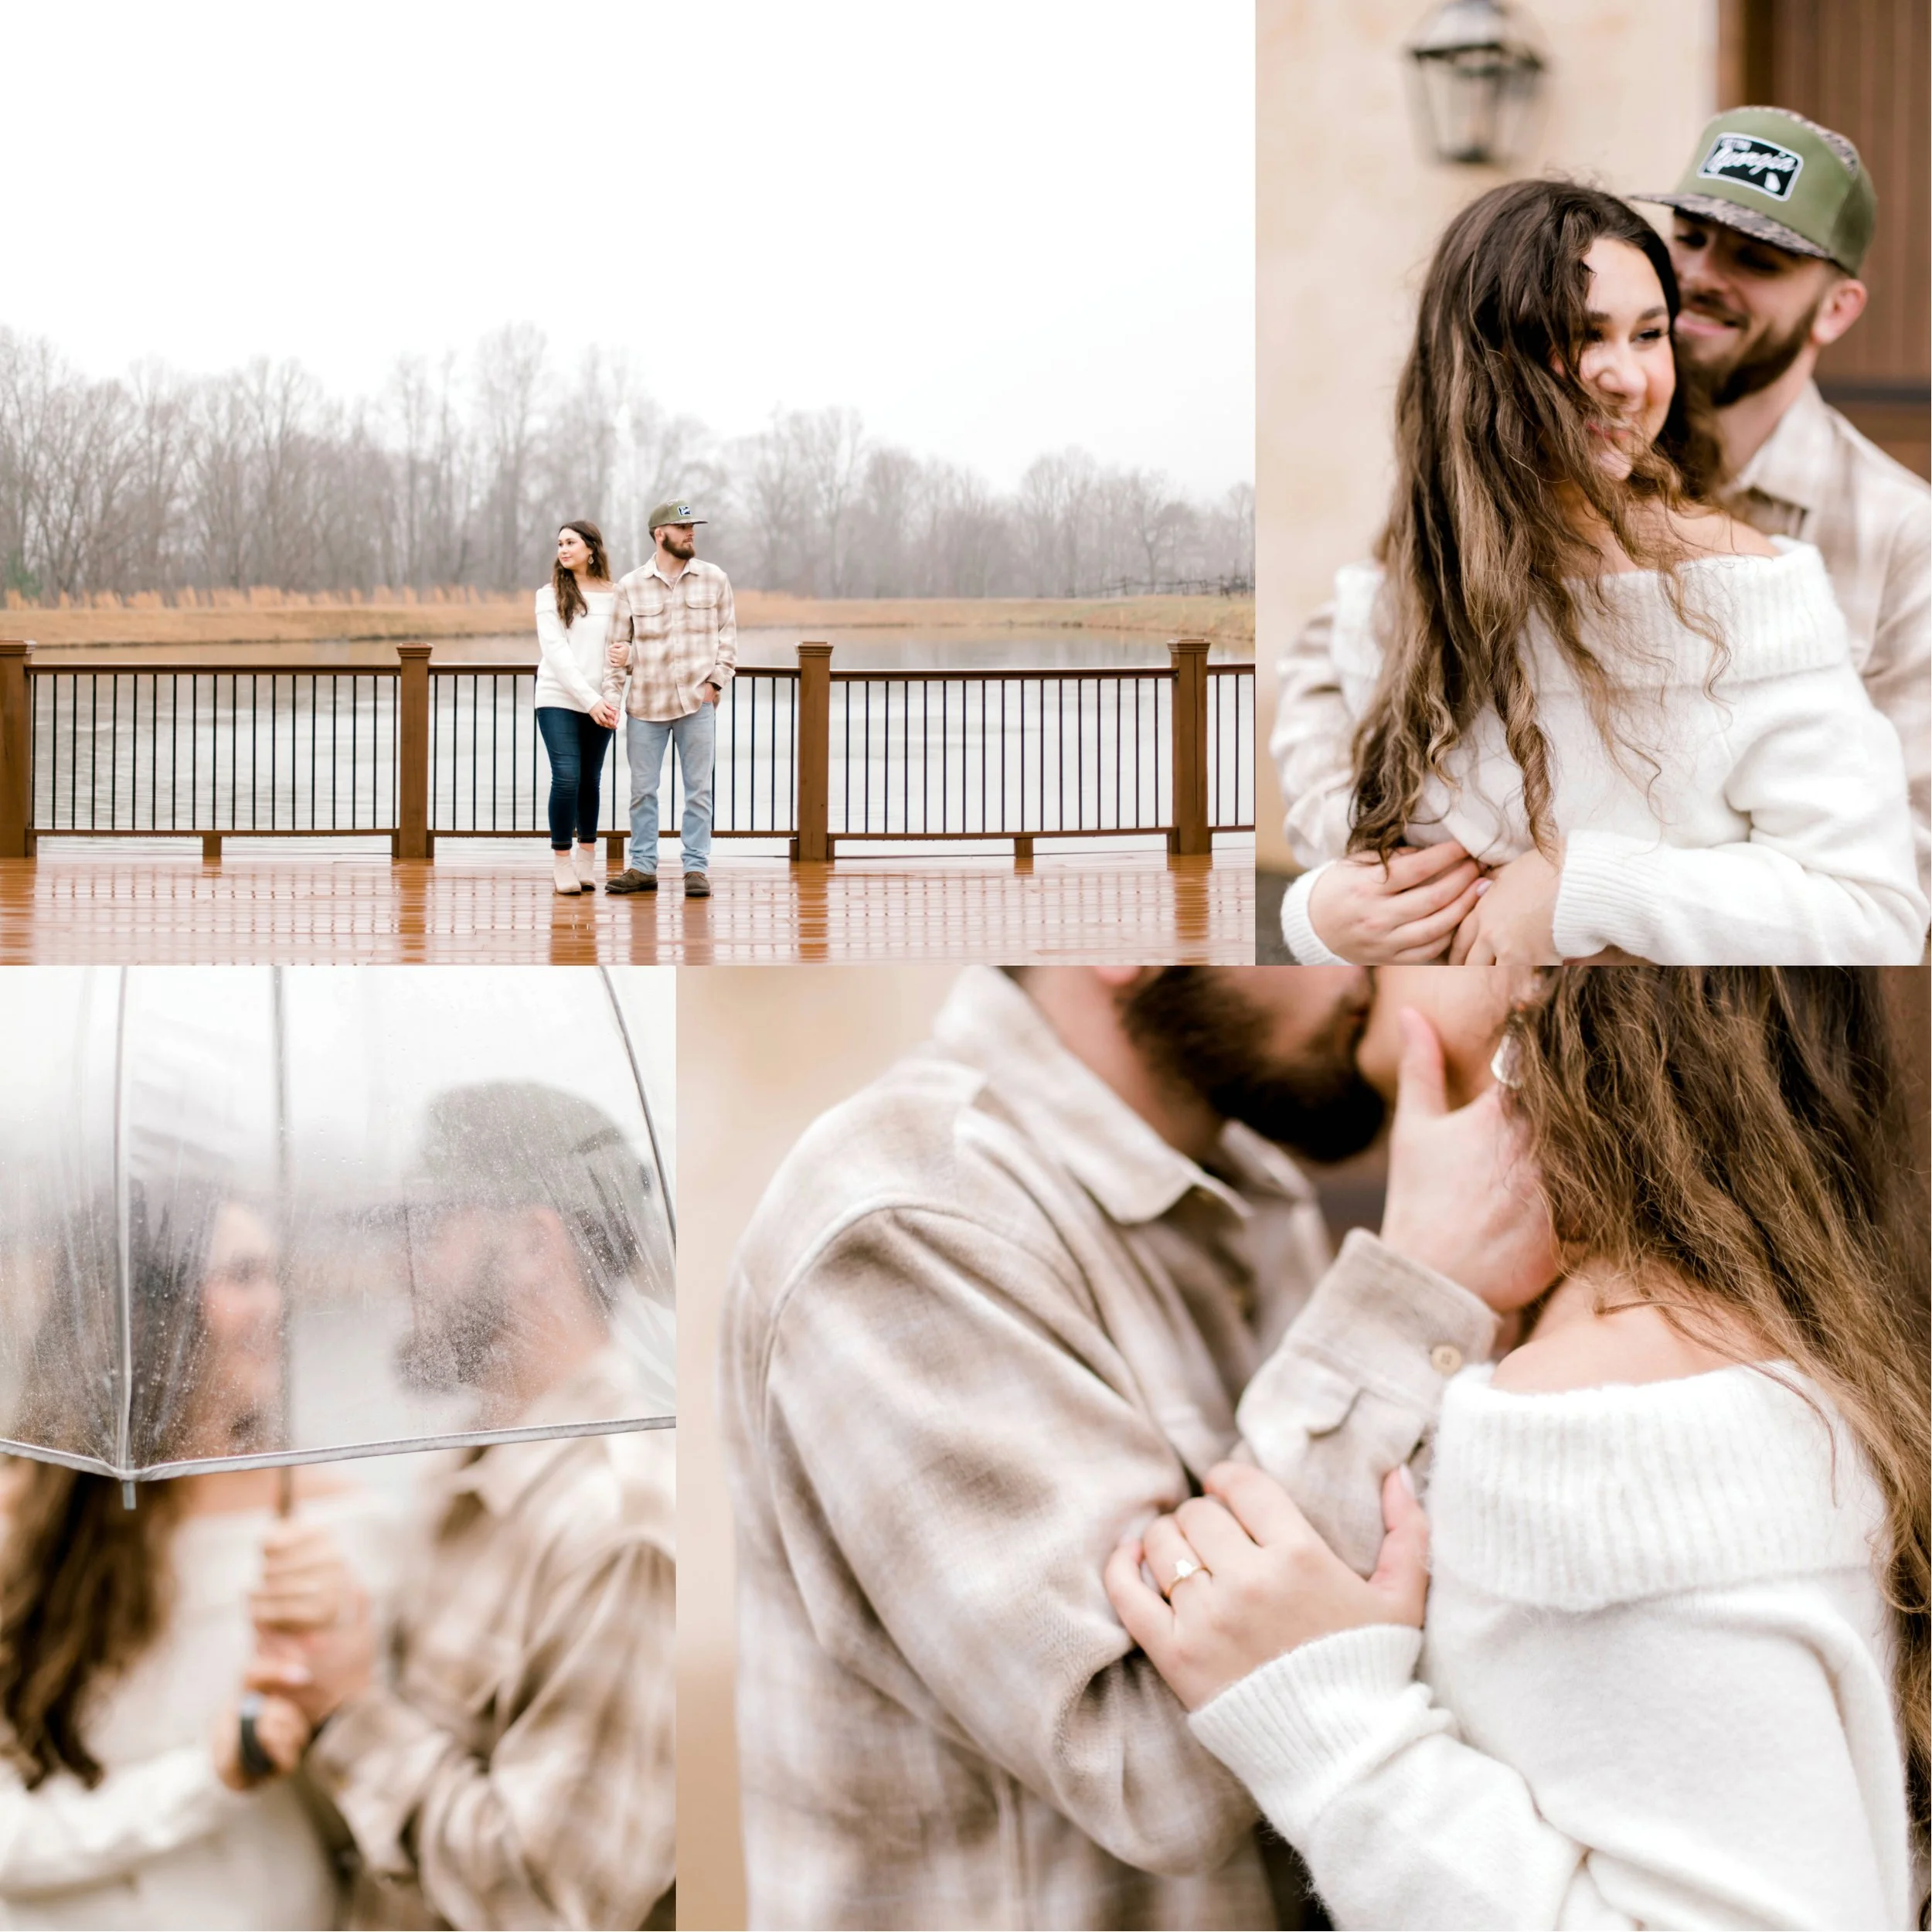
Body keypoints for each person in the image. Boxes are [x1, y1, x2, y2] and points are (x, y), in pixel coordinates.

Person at [719, 964, 1557, 1930]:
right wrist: (1416, 1289)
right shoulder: (907, 1211)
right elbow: (1149, 1771)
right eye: (1296, 893)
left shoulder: (1247, 1182)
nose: (1366, 943)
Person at [1110, 968, 1927, 1928]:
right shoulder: (1759, 1327)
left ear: (1535, 973)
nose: (1367, 929)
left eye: (1436, 875)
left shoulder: (1600, 1405)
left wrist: (1336, 1732)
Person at [1270, 177, 1924, 967]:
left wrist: (1588, 890)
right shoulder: (1415, 572)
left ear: (1835, 307)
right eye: (1583, 335)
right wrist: (1318, 916)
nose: (1626, 374)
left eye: (1649, 335)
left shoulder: (1775, 579)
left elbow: (1876, 900)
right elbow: (1325, 714)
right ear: (1482, 361)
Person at [244, 1083, 677, 1932]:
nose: (395, 1266)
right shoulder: (461, 1466)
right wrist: (321, 1656)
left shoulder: (620, 1522)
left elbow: (550, 1900)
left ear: (530, 1245)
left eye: (426, 1227)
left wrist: (348, 1706)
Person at [0, 1184, 398, 1931]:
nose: (274, 1306)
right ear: (149, 1308)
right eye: (242, 1277)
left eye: (274, 1275)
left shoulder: (330, 1527)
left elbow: (376, 1835)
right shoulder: (20, 1525)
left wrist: (334, 1673)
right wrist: (208, 1777)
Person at [1642, 107, 1930, 896]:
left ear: (1835, 309)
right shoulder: (1572, 461)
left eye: (1758, 260)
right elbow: (1340, 666)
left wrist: (1627, 890)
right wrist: (1358, 881)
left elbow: (1912, 845)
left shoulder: (1904, 535)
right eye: (1690, 236)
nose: (1699, 276)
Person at [603, 499, 736, 901]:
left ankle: (696, 868)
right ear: (660, 534)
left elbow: (728, 639)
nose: (691, 533)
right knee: (643, 790)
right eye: (683, 528)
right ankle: (643, 867)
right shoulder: (630, 585)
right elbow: (615, 650)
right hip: (645, 706)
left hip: (697, 705)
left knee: (699, 791)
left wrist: (715, 685)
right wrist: (611, 698)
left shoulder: (715, 579)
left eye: (694, 526)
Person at [534, 520, 621, 897]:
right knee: (567, 777)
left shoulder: (617, 595)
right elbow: (556, 655)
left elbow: (620, 651)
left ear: (591, 548)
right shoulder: (548, 595)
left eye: (570, 542)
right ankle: (561, 862)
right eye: (559, 544)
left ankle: (587, 859)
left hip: (602, 703)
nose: (563, 550)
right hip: (559, 698)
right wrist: (591, 701)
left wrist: (610, 701)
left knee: (591, 780)